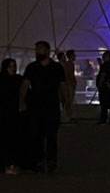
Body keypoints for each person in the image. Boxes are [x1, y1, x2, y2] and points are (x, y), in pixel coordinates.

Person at [20, 41, 66, 173]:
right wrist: (22, 101)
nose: (36, 52)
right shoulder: (32, 67)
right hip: (35, 107)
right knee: (37, 135)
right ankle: (39, 160)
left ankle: (51, 161)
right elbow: (25, 84)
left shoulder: (57, 68)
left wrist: (65, 101)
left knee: (51, 135)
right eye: (36, 50)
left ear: (47, 51)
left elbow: (62, 85)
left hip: (52, 106)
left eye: (39, 49)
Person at [0, 58, 23, 174]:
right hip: (4, 113)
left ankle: (11, 163)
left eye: (14, 66)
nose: (13, 68)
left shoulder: (18, 79)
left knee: (12, 139)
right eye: (11, 66)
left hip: (14, 113)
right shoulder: (4, 80)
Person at [96, 51, 110, 125]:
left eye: (104, 56)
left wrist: (100, 84)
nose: (103, 58)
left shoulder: (107, 65)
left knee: (104, 103)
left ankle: (104, 119)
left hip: (105, 87)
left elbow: (103, 74)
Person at [61, 50, 77, 123]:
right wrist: (72, 83)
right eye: (74, 55)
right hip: (69, 85)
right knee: (68, 101)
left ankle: (68, 116)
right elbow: (69, 75)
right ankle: (67, 117)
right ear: (71, 56)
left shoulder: (69, 64)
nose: (75, 56)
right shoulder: (69, 64)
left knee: (69, 101)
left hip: (69, 84)